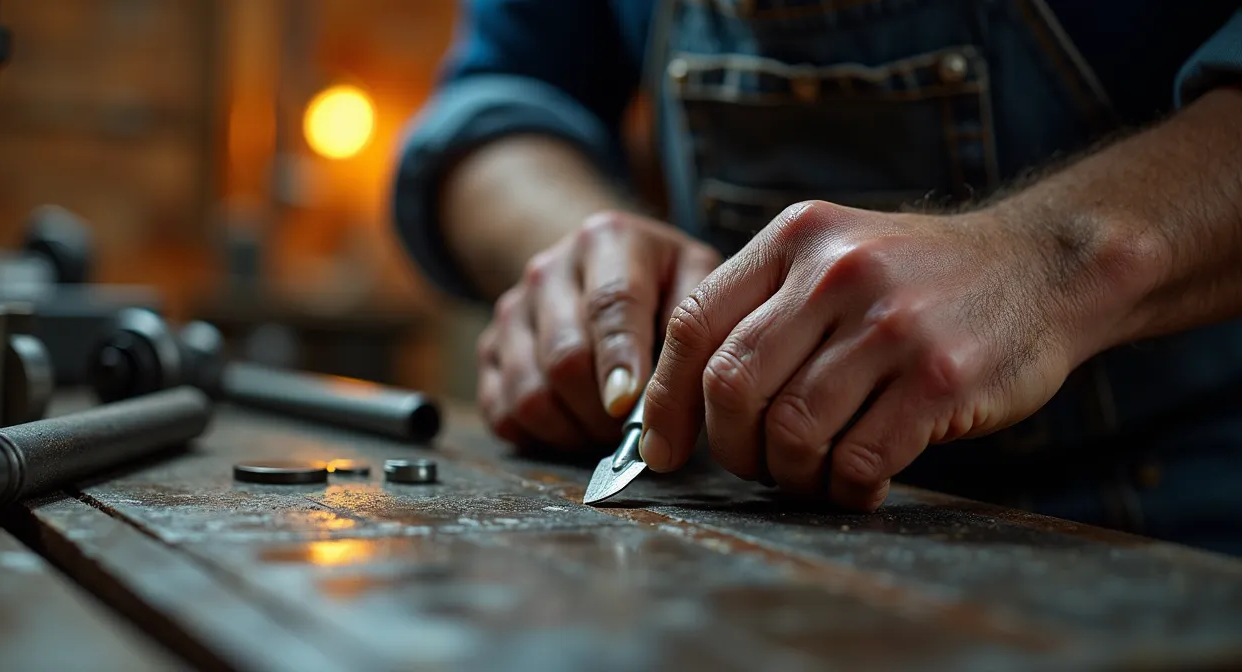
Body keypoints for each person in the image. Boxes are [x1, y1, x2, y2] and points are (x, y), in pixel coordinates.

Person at [393, 1, 1242, 554]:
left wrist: (1056, 260)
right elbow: (499, 93)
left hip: (1174, 542)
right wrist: (583, 256)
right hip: (743, 539)